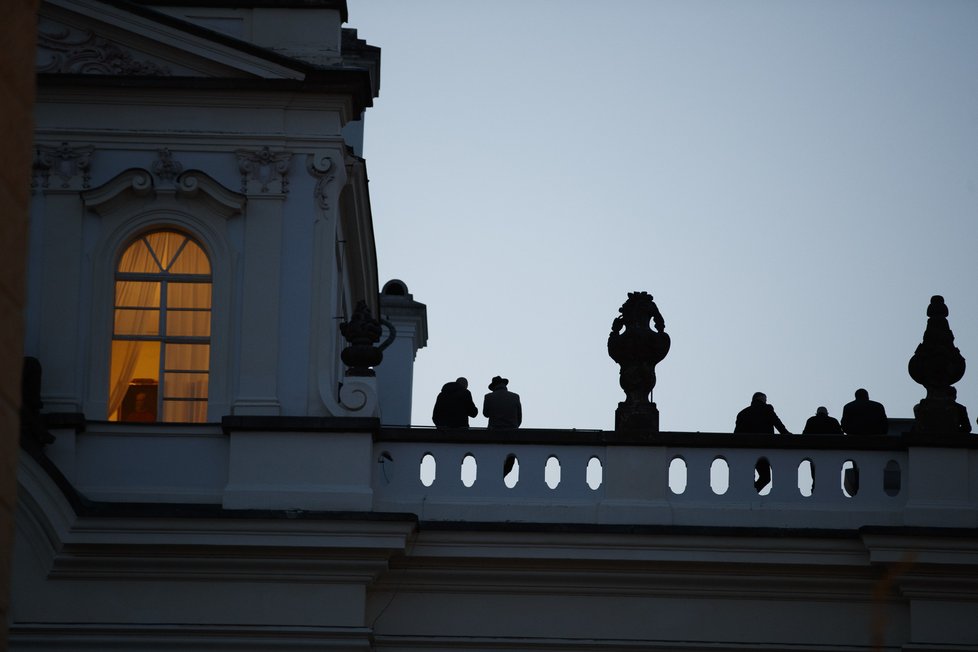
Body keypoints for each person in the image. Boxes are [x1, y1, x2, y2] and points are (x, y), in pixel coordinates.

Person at [734, 392, 790, 492]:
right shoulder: (767, 409)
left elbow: (736, 434)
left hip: (746, 449)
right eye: (765, 399)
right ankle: (752, 493)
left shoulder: (742, 413)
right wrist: (788, 435)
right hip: (763, 447)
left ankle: (748, 494)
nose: (766, 401)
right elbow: (778, 424)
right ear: (761, 398)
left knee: (748, 477)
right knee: (765, 477)